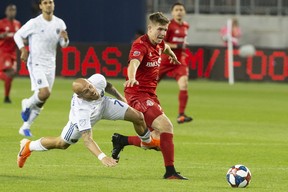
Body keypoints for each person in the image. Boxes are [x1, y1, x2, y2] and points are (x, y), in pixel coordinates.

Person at [17, 74, 157, 168]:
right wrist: (102, 157)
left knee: (138, 116)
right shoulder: (81, 111)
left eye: (90, 86)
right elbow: (87, 140)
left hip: (104, 104)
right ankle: (29, 146)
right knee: (61, 143)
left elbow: (107, 86)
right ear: (80, 96)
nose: (92, 91)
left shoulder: (97, 80)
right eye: (86, 91)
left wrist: (122, 99)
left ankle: (147, 141)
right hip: (87, 116)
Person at [113, 12, 188, 180]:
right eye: (159, 29)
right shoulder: (140, 45)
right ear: (150, 28)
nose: (162, 33)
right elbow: (134, 63)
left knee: (156, 143)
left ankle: (121, 140)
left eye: (165, 29)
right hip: (137, 94)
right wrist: (131, 78)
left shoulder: (160, 44)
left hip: (150, 95)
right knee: (167, 126)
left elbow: (166, 48)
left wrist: (173, 56)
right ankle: (170, 173)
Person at [14, 0, 69, 137]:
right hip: (36, 62)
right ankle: (27, 104)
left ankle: (26, 126)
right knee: (44, 93)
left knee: (43, 98)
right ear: (40, 6)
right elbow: (18, 35)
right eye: (45, 2)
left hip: (51, 64)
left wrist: (65, 39)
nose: (48, 5)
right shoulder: (35, 23)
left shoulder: (60, 23)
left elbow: (63, 45)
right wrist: (23, 49)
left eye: (50, 2)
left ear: (54, 5)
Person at [159, 2, 192, 124]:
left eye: (181, 10)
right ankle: (138, 107)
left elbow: (183, 42)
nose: (179, 12)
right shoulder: (168, 25)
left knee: (184, 85)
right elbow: (163, 42)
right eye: (176, 10)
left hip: (179, 61)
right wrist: (178, 45)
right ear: (172, 12)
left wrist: (181, 47)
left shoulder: (186, 26)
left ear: (184, 12)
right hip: (165, 59)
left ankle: (181, 115)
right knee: (149, 85)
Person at [0, 4, 21, 103]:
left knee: (12, 74)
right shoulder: (1, 23)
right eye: (10, 10)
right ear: (6, 12)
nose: (11, 12)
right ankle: (7, 98)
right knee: (9, 73)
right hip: (3, 52)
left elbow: (19, 37)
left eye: (13, 10)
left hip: (13, 53)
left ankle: (7, 97)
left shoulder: (18, 24)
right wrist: (1, 35)